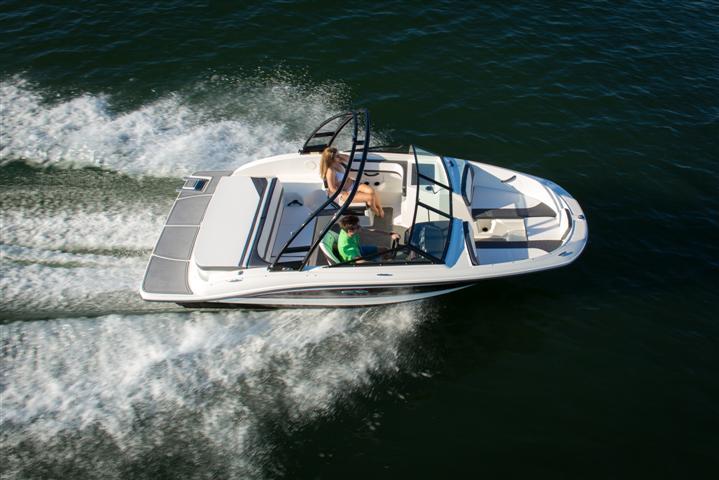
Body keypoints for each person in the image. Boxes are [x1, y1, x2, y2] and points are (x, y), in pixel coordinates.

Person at [320, 146, 384, 218]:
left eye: (338, 155)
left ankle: (380, 208)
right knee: (370, 198)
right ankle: (375, 210)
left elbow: (350, 158)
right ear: (331, 159)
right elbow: (332, 188)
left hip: (353, 184)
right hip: (344, 193)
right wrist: (343, 193)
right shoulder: (331, 171)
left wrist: (338, 155)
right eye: (337, 156)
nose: (339, 157)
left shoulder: (339, 162)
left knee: (372, 191)